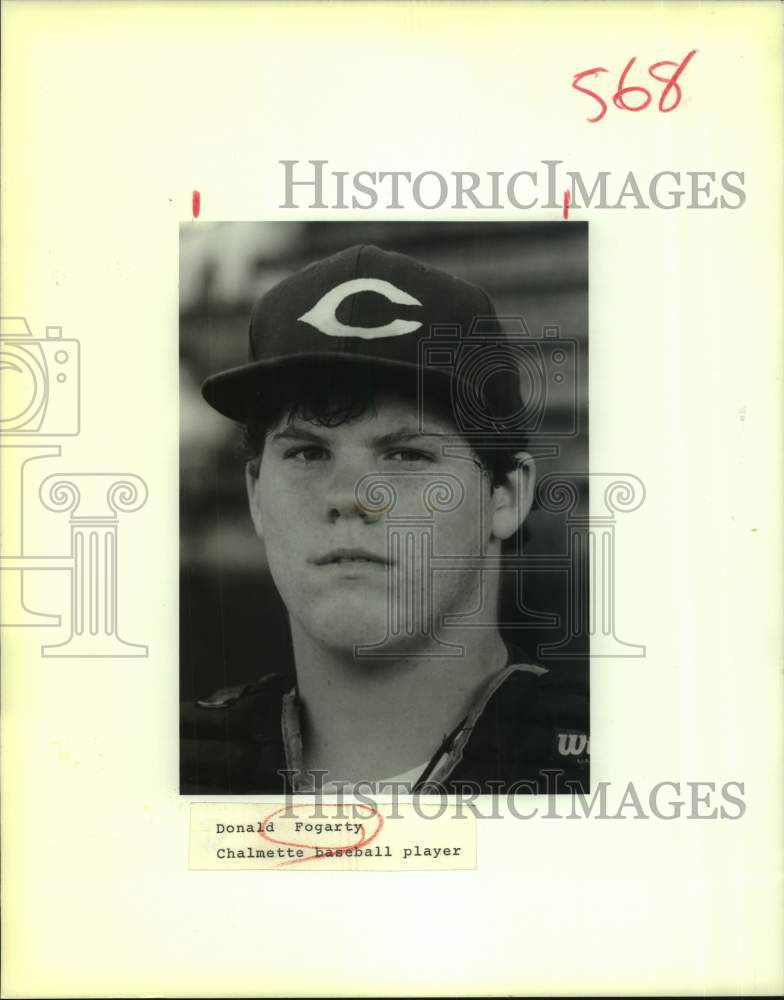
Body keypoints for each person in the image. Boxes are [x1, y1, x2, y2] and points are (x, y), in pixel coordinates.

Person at [181, 243, 588, 795]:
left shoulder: (632, 760)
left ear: (506, 496)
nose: (351, 495)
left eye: (406, 454)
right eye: (307, 452)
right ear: (256, 494)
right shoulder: (154, 773)